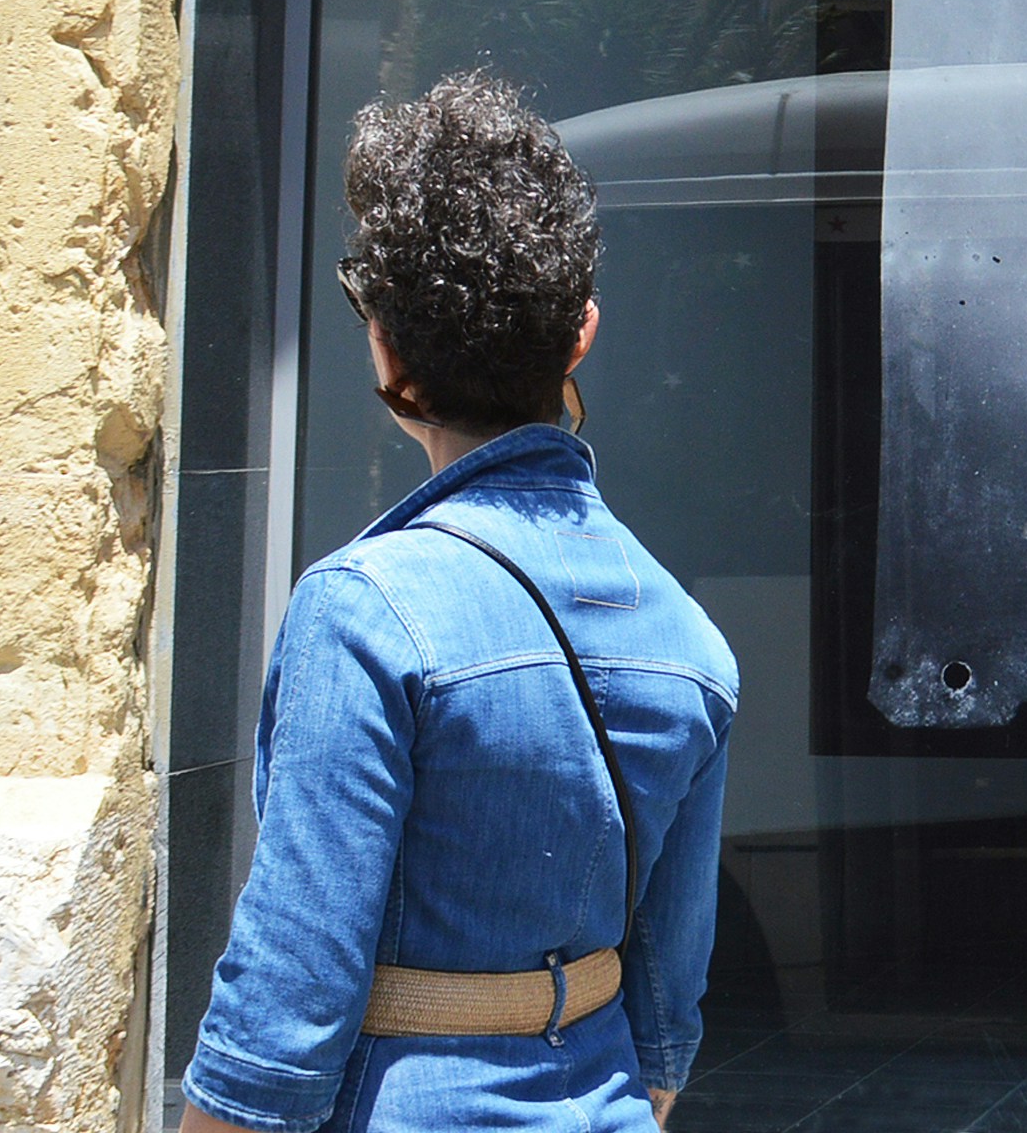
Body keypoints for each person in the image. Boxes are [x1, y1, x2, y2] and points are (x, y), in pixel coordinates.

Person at [181, 73, 736, 1133]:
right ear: (582, 334)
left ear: (387, 348)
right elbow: (667, 1011)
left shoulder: (363, 608)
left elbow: (287, 998)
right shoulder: (687, 636)